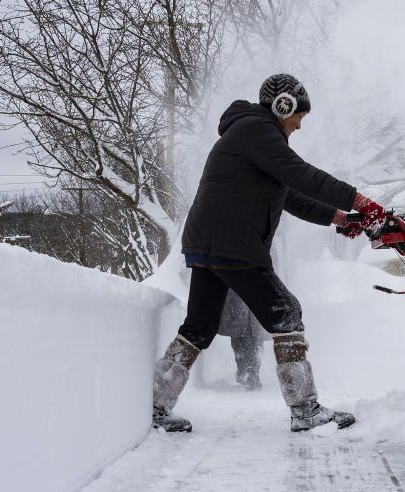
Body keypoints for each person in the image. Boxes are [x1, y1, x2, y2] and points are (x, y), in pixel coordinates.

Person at [151, 73, 382, 433]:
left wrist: (339, 218)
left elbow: (289, 195)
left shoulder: (250, 136)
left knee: (199, 327)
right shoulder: (257, 130)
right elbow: (302, 174)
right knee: (285, 313)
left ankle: (156, 405)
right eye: (298, 117)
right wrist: (363, 202)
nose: (298, 126)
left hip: (209, 243)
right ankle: (305, 409)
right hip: (233, 242)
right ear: (282, 105)